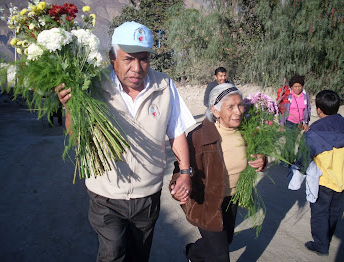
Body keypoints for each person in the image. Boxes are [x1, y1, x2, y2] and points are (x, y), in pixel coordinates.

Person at [56, 21, 196, 262]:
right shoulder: (92, 86)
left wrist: (185, 172)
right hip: (106, 194)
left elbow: (177, 133)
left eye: (144, 59)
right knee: (113, 252)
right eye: (128, 59)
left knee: (139, 255)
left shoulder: (164, 85)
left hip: (148, 194)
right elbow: (77, 136)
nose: (137, 68)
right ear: (112, 57)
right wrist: (70, 107)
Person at [170, 83, 267, 262]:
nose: (238, 111)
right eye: (230, 106)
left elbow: (258, 152)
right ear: (215, 111)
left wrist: (262, 159)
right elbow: (180, 168)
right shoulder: (198, 137)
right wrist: (178, 185)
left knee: (226, 240)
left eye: (240, 105)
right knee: (220, 255)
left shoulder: (247, 132)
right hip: (207, 202)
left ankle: (194, 252)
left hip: (232, 199)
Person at [303, 90, 344, 256]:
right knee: (335, 210)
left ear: (319, 109)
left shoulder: (315, 132)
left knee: (320, 212)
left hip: (323, 180)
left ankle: (321, 244)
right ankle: (328, 234)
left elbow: (304, 155)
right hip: (341, 179)